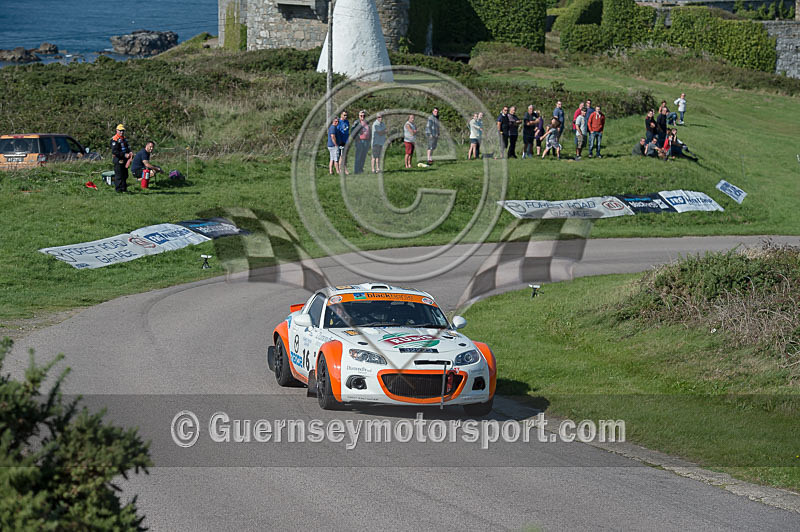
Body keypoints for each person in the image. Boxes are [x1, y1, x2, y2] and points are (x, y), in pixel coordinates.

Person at [110, 124, 132, 193]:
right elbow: (115, 151)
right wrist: (124, 155)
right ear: (117, 130)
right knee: (119, 175)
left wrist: (130, 153)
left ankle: (124, 189)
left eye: (123, 131)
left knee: (125, 174)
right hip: (118, 159)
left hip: (125, 159)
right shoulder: (114, 139)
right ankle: (118, 190)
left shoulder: (124, 139)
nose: (121, 132)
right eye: (120, 131)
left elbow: (127, 148)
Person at [352, 110, 370, 174]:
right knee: (358, 156)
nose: (362, 117)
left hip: (366, 141)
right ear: (359, 116)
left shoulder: (367, 122)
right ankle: (356, 170)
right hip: (359, 141)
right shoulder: (356, 122)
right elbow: (352, 131)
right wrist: (356, 138)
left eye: (364, 115)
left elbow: (369, 130)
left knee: (363, 156)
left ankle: (361, 169)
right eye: (361, 115)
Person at [336, 110, 350, 175]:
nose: (345, 116)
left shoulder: (347, 122)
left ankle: (343, 168)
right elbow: (338, 132)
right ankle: (342, 169)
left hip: (346, 140)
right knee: (342, 156)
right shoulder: (339, 122)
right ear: (341, 115)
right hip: (341, 141)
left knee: (345, 155)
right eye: (344, 115)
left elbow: (347, 130)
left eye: (346, 115)